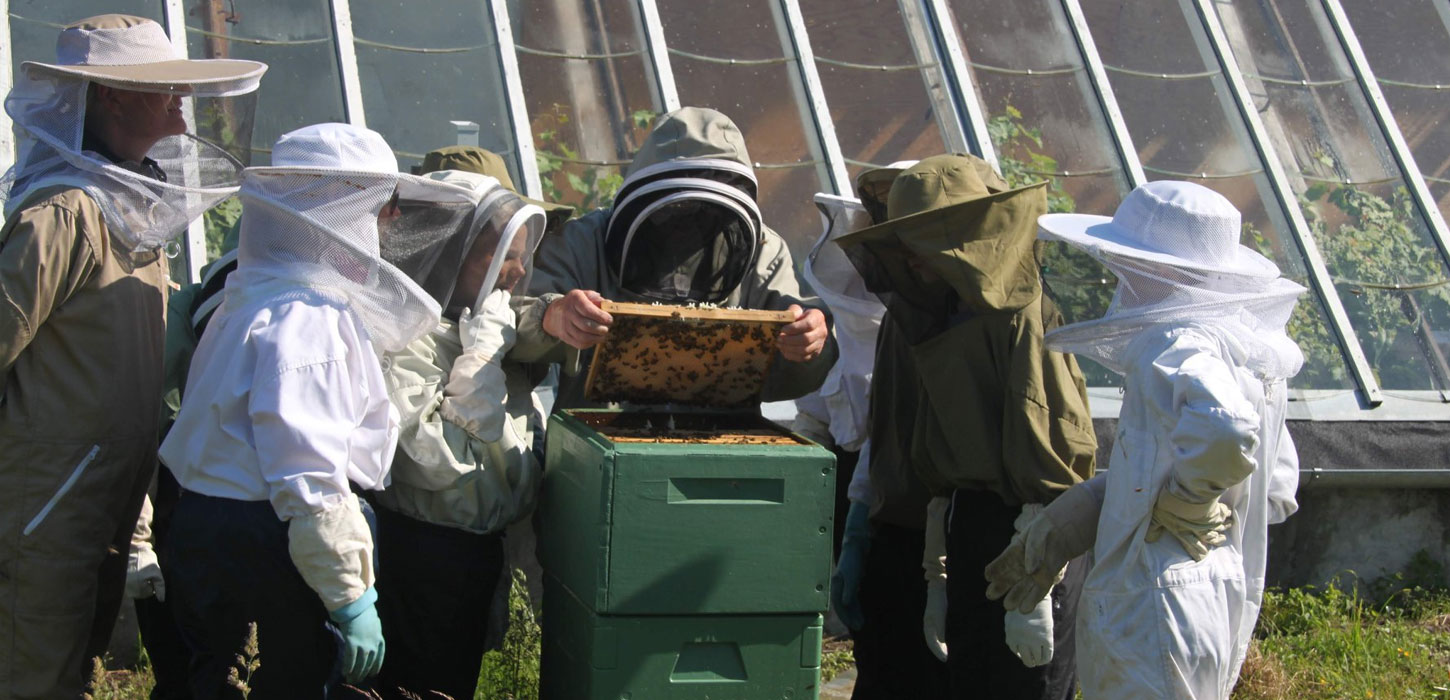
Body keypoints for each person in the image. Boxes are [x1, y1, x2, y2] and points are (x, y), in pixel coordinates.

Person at [0, 14, 263, 697]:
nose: (179, 97)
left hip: (104, 487)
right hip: (46, 493)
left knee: (78, 661)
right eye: (159, 85)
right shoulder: (62, 214)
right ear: (111, 97)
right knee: (37, 672)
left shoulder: (125, 205)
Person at [158, 123, 467, 698]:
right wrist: (351, 598)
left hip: (223, 534)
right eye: (385, 204)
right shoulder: (307, 317)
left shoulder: (251, 299)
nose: (393, 220)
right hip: (268, 545)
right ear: (339, 206)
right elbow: (310, 483)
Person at [984, 181, 1305, 700]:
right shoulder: (1249, 351)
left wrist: (1188, 499)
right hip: (1207, 590)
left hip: (1155, 600)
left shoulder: (1178, 338)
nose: (1119, 275)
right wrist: (1092, 510)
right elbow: (1276, 486)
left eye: (1126, 261)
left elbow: (1228, 427)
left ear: (1159, 267)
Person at [837, 155, 1097, 700]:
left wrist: (1038, 584)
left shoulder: (1020, 315)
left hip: (1032, 535)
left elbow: (1053, 461)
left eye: (922, 237)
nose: (912, 258)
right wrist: (936, 572)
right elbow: (915, 453)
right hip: (965, 529)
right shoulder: (933, 312)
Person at [368, 165, 563, 700]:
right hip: (417, 558)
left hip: (472, 556)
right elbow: (435, 460)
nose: (517, 272)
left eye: (521, 255)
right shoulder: (397, 335)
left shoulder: (478, 320)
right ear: (450, 251)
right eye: (500, 254)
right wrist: (482, 357)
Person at [530, 106, 835, 408]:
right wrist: (551, 314)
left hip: (720, 441)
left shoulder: (765, 252)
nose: (687, 225)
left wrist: (810, 344)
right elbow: (503, 320)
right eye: (674, 211)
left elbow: (791, 374)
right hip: (595, 437)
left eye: (705, 215)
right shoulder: (583, 242)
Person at [827, 163, 950, 699]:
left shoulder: (979, 323)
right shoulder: (901, 317)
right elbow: (882, 434)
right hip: (894, 530)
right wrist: (857, 529)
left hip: (955, 545)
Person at [792, 193, 881, 564]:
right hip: (841, 481)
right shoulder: (834, 320)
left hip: (904, 495)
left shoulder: (920, 331)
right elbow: (814, 417)